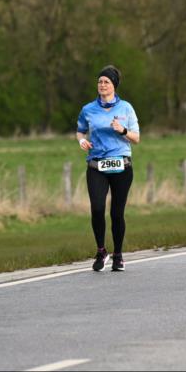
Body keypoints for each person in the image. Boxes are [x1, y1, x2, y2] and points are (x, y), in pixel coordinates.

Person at [76, 65, 140, 272]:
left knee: (116, 213)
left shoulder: (126, 108)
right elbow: (80, 131)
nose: (102, 85)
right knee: (96, 208)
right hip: (96, 165)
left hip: (121, 165)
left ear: (114, 86)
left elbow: (137, 138)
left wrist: (122, 130)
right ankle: (101, 250)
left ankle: (118, 255)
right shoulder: (88, 109)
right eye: (100, 82)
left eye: (107, 82)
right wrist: (81, 141)